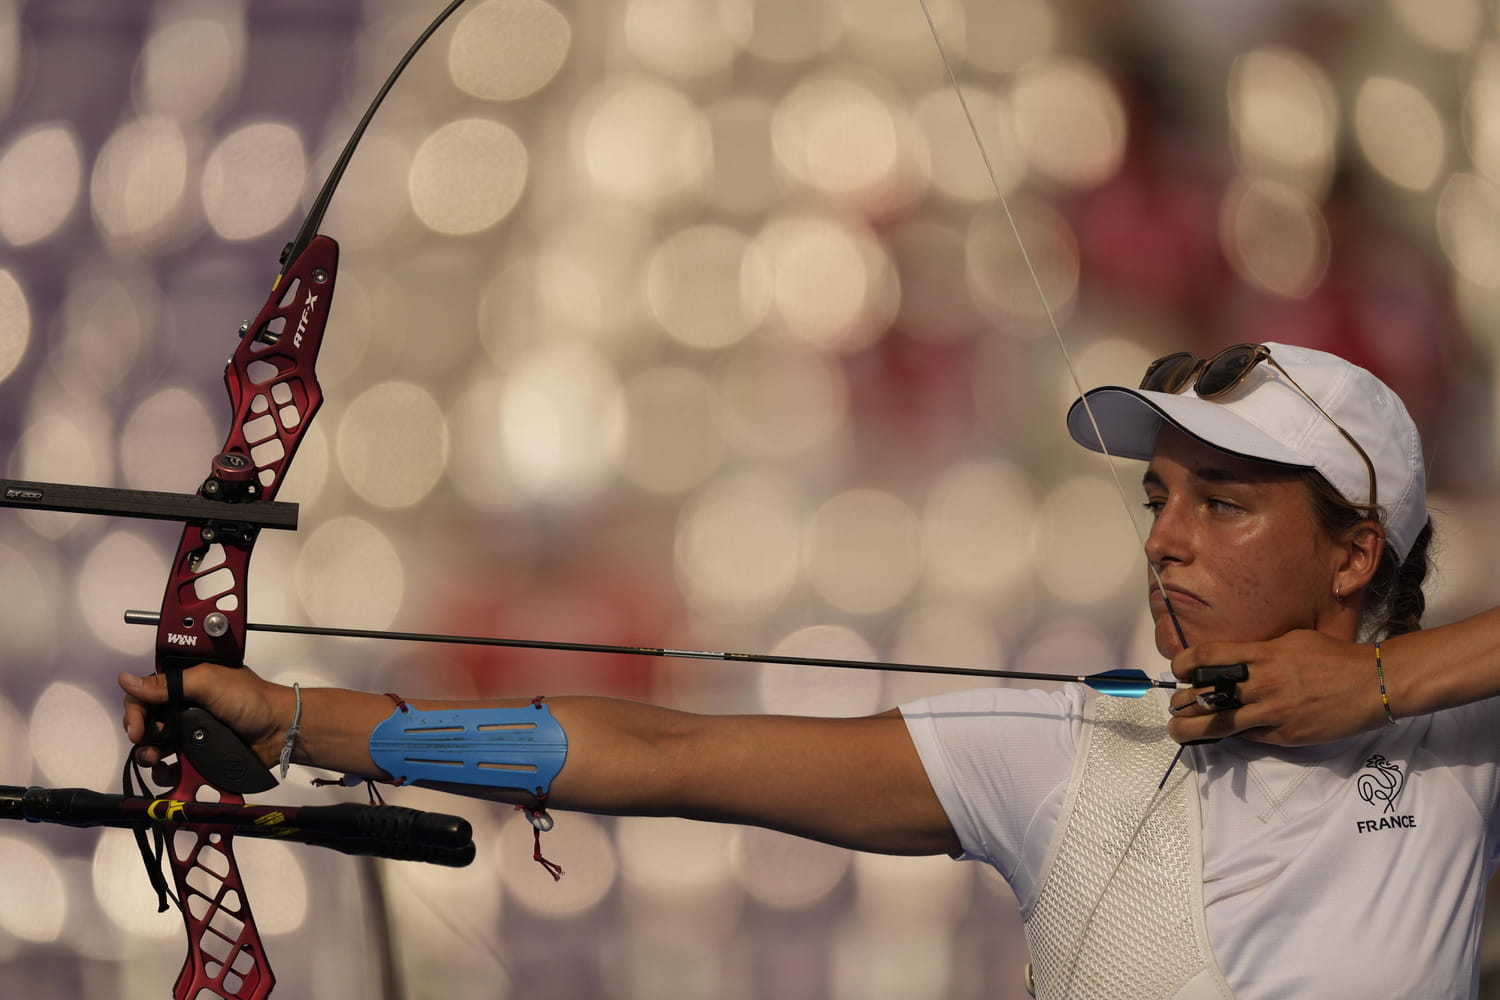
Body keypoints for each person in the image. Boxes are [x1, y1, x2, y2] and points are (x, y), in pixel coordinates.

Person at [121, 342, 1500, 999]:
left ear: (1352, 550)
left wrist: (1379, 689)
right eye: (1157, 501)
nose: (1169, 546)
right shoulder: (1073, 750)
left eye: (1228, 505)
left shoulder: (1462, 751)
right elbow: (665, 755)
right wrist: (300, 719)